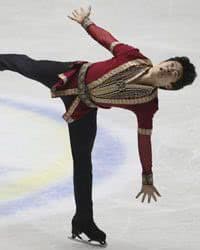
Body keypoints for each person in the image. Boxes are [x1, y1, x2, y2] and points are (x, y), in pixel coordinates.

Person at [0, 5, 196, 246]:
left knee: (83, 163)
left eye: (173, 74)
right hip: (71, 74)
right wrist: (86, 22)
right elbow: (108, 40)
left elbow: (144, 139)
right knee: (26, 65)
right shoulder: (134, 57)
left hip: (84, 107)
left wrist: (147, 177)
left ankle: (83, 222)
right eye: (171, 64)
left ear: (169, 87)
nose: (168, 69)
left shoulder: (147, 104)